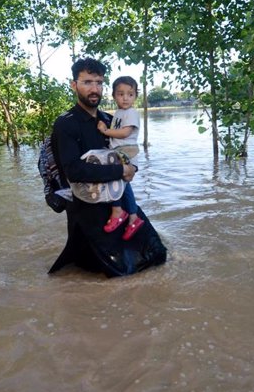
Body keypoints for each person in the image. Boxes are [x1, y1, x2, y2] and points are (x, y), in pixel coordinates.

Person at [48, 57, 167, 277]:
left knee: (156, 253)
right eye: (87, 82)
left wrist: (131, 169)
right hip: (86, 207)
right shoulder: (66, 123)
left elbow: (127, 151)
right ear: (74, 85)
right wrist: (121, 171)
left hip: (117, 200)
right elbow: (73, 170)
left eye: (99, 82)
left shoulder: (109, 120)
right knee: (116, 271)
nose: (94, 89)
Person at [97, 76, 143, 240]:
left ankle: (118, 210)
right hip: (119, 152)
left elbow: (125, 133)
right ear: (114, 95)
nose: (125, 98)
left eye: (130, 94)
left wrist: (105, 131)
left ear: (135, 96)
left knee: (114, 179)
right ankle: (133, 216)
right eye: (121, 94)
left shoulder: (131, 113)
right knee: (124, 186)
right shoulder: (119, 113)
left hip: (126, 152)